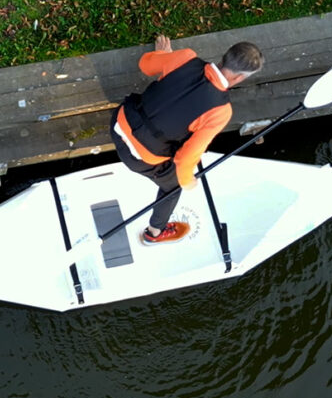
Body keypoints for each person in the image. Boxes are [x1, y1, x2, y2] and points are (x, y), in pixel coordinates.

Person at [110, 34, 264, 245]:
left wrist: (164, 55)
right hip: (138, 157)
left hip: (119, 123)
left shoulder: (185, 57)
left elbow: (145, 65)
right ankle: (154, 233)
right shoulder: (220, 111)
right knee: (172, 187)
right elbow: (185, 158)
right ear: (239, 78)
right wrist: (187, 181)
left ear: (225, 57)